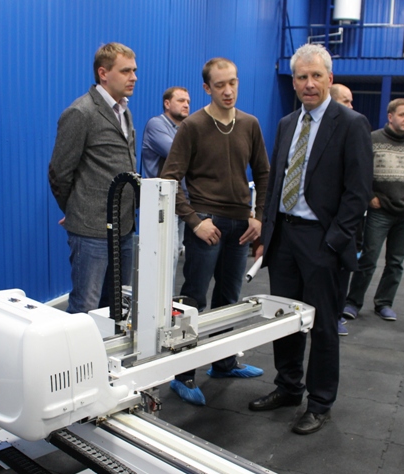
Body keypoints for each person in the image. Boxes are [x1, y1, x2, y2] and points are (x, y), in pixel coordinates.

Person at [248, 43, 372, 435]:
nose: (309, 84)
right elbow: (275, 182)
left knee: (322, 326)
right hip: (285, 237)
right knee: (285, 320)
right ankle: (288, 387)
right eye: (301, 77)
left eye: (316, 76)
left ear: (329, 79)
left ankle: (319, 403)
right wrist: (268, 232)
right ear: (294, 82)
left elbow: (358, 192)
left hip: (322, 241)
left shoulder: (350, 124)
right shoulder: (287, 123)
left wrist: (334, 241)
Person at [160, 58, 270, 406]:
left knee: (228, 299)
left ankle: (223, 364)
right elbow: (169, 179)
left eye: (232, 83)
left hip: (241, 226)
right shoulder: (192, 126)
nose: (228, 91)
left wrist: (259, 217)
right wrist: (195, 221)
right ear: (207, 88)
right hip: (206, 223)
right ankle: (182, 375)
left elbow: (264, 173)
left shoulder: (250, 124)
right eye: (220, 85)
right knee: (193, 300)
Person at [48, 42, 139, 315]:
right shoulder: (81, 112)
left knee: (117, 306)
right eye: (126, 71)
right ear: (103, 73)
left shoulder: (124, 111)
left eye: (134, 70)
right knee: (85, 308)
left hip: (124, 227)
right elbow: (59, 172)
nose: (134, 77)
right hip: (91, 231)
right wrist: (75, 209)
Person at [343, 98, 404, 322]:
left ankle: (384, 303)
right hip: (379, 212)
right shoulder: (373, 139)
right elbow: (361, 171)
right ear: (390, 117)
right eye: (402, 115)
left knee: (396, 262)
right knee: (368, 259)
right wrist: (370, 197)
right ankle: (352, 303)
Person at [142, 87, 191, 260]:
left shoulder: (185, 129)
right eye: (181, 101)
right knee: (166, 259)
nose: (186, 105)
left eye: (188, 102)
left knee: (176, 253)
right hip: (163, 203)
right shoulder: (156, 125)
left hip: (183, 200)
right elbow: (177, 153)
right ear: (167, 104)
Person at [329, 83, 355, 337]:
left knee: (340, 274)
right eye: (346, 101)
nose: (351, 106)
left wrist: (340, 233)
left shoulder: (354, 128)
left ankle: (336, 316)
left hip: (340, 226)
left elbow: (357, 188)